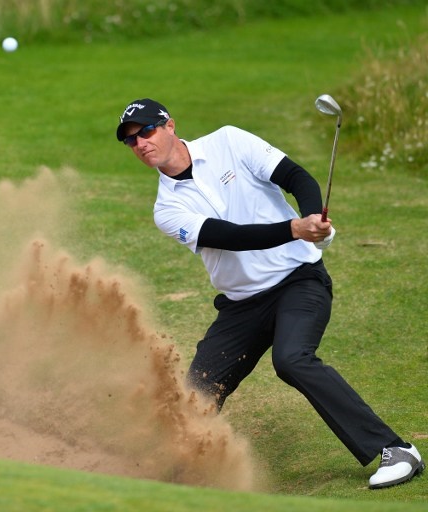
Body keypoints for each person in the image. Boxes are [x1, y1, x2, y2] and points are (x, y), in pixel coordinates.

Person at [115, 98, 425, 489]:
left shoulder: (229, 141)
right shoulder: (167, 208)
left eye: (146, 131)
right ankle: (177, 476)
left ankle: (396, 450)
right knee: (195, 396)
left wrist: (313, 218)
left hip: (299, 280)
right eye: (131, 141)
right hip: (240, 308)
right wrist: (294, 228)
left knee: (292, 359)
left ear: (170, 125)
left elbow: (296, 177)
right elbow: (228, 237)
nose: (141, 143)